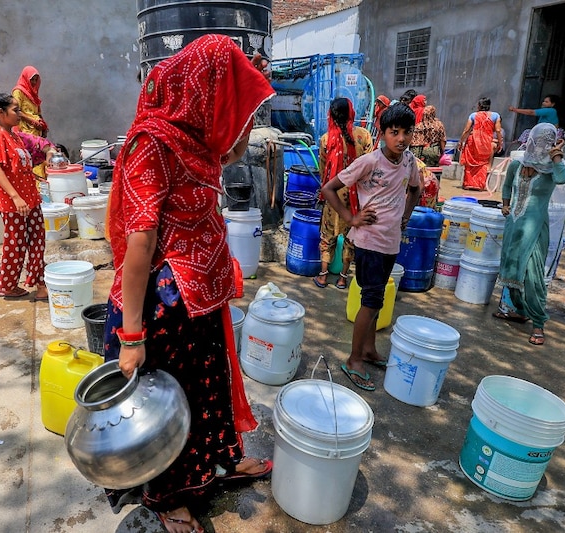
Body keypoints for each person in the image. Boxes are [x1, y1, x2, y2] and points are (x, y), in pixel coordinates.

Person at [100, 34, 274, 533]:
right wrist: (131, 336)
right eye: (230, 102)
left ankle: (219, 459)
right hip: (164, 306)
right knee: (166, 402)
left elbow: (231, 150)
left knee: (208, 388)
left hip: (201, 299)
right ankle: (171, 494)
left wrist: (239, 125)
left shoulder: (196, 141)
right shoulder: (150, 143)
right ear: (203, 92)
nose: (238, 118)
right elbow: (140, 243)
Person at [322, 103, 422, 391]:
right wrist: (350, 218)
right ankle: (354, 359)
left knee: (376, 301)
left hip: (390, 242)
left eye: (407, 132)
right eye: (394, 132)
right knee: (370, 300)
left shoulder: (409, 162)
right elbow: (329, 188)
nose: (401, 138)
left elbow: (415, 189)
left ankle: (368, 349)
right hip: (369, 242)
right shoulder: (370, 162)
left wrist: (406, 216)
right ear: (382, 133)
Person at [492, 123, 565, 346]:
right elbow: (507, 187)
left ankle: (538, 323)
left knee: (532, 276)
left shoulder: (551, 171)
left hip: (535, 229)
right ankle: (519, 311)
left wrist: (556, 156)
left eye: (548, 143)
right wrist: (505, 206)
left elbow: (563, 179)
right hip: (514, 224)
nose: (542, 147)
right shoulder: (517, 165)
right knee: (510, 269)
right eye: (540, 141)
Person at [0, 92, 48, 300]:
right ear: (1, 113)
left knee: (37, 241)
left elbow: (18, 166)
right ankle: (8, 286)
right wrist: (15, 196)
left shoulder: (15, 135)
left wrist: (36, 180)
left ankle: (39, 283)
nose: (19, 114)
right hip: (14, 203)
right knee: (16, 244)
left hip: (31, 199)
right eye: (15, 110)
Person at [313, 97, 373, 290]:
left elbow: (323, 171)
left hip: (334, 194)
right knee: (351, 237)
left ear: (331, 114)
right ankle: (342, 278)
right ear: (351, 113)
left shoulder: (325, 139)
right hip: (356, 196)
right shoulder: (364, 135)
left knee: (327, 235)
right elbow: (370, 166)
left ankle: (322, 276)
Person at [458, 97, 502, 191]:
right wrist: (500, 143)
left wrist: (461, 141)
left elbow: (466, 130)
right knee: (482, 163)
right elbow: (498, 130)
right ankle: (479, 186)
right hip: (485, 143)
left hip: (473, 142)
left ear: (479, 105)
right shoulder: (495, 115)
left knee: (470, 164)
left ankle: (468, 184)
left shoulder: (473, 115)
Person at [12, 66, 48, 138]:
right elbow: (16, 111)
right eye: (32, 79)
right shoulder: (18, 92)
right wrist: (33, 122)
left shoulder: (33, 93)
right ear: (25, 78)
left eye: (36, 80)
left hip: (36, 130)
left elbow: (37, 113)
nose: (34, 82)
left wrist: (44, 127)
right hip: (24, 129)